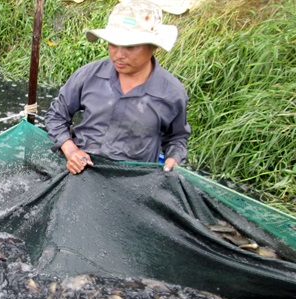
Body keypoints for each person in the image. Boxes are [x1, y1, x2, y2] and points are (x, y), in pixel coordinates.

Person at [45, 0, 191, 175]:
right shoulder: (89, 75)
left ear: (153, 46)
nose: (119, 55)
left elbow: (177, 138)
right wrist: (71, 151)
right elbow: (56, 115)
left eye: (130, 47)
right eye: (113, 44)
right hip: (81, 173)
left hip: (133, 181)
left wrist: (172, 158)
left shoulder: (172, 92)